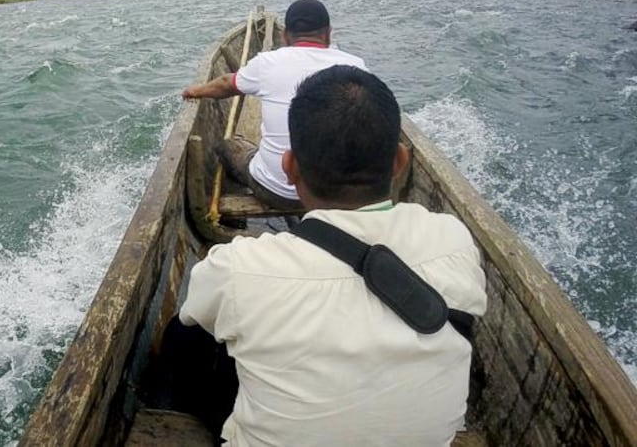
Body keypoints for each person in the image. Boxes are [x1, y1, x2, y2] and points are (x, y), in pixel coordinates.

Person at [178, 65, 488, 446]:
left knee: (189, 338)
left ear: (289, 167)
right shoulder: (454, 240)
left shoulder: (237, 268)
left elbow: (193, 315)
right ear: (400, 161)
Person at [181, 0, 366, 207]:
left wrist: (195, 90)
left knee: (228, 146)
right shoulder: (356, 66)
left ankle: (235, 202)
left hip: (275, 192)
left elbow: (226, 84)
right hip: (338, 194)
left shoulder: (267, 63)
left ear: (285, 35)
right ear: (329, 33)